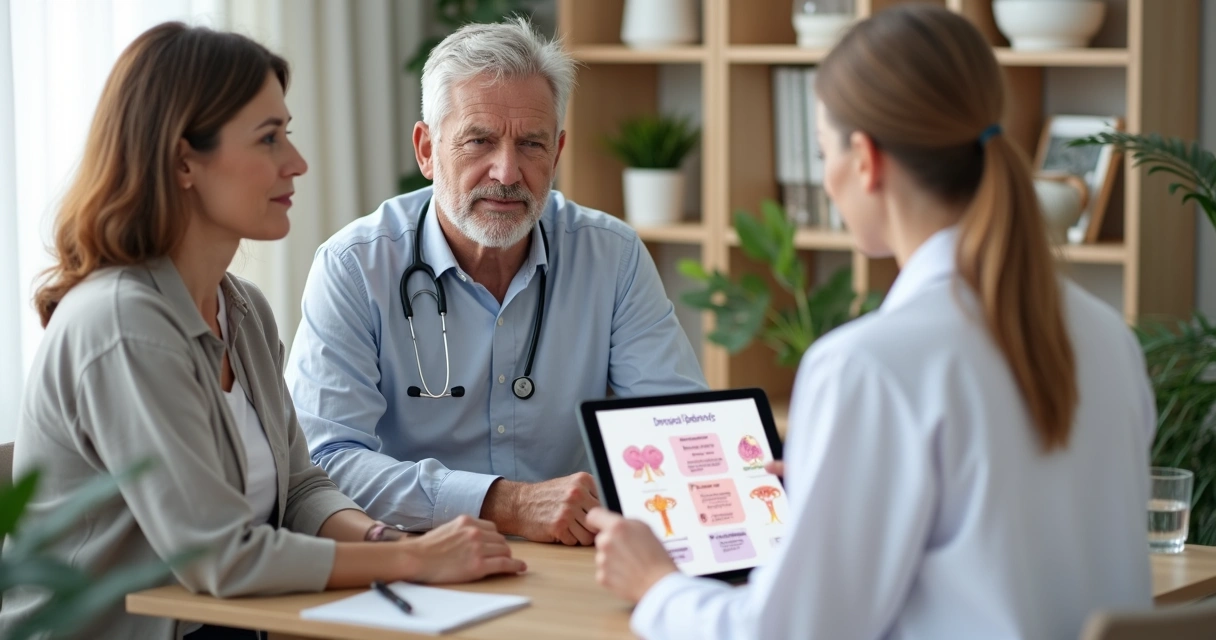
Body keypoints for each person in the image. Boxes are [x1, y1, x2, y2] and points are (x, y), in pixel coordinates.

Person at [587, 6, 1155, 639]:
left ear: (865, 159)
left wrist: (655, 585)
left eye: (825, 150)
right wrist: (845, 482)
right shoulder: (1108, 338)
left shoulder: (868, 366)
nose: (827, 181)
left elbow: (783, 635)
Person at [0, 23, 524, 640]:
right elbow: (219, 558)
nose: (296, 162)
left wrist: (392, 537)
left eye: (288, 135)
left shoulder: (241, 310)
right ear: (184, 160)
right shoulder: (123, 324)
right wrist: (413, 560)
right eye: (269, 138)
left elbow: (300, 489)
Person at [284, 17, 706, 546]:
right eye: (478, 141)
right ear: (426, 151)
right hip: (416, 560)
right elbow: (324, 464)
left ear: (557, 152)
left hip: (571, 559)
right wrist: (503, 502)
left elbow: (678, 430)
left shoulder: (611, 256)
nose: (507, 173)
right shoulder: (354, 266)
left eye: (531, 144)